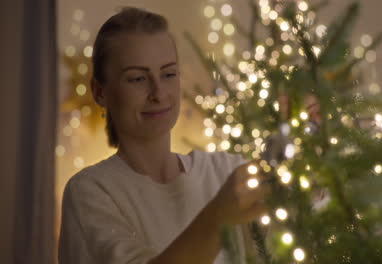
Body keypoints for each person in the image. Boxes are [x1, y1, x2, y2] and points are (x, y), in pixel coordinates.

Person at [58, 7, 269, 264]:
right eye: (137, 79)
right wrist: (218, 218)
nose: (158, 93)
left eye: (168, 74)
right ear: (100, 92)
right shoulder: (91, 192)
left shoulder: (225, 171)